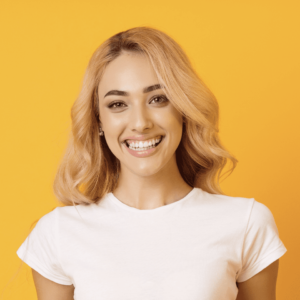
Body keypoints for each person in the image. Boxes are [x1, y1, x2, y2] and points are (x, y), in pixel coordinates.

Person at [17, 27, 287, 300]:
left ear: (183, 108)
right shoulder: (60, 233)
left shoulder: (245, 223)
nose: (140, 123)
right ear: (98, 120)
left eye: (158, 99)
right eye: (118, 104)